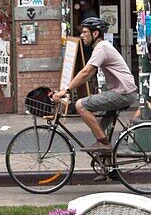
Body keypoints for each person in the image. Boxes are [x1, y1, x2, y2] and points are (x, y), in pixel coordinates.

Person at [52, 17, 138, 151]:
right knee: (99, 126)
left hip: (123, 93)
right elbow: (90, 74)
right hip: (123, 91)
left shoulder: (102, 47)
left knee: (81, 105)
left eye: (85, 32)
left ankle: (104, 144)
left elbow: (87, 72)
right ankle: (107, 163)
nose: (81, 35)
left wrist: (66, 89)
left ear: (95, 33)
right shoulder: (101, 47)